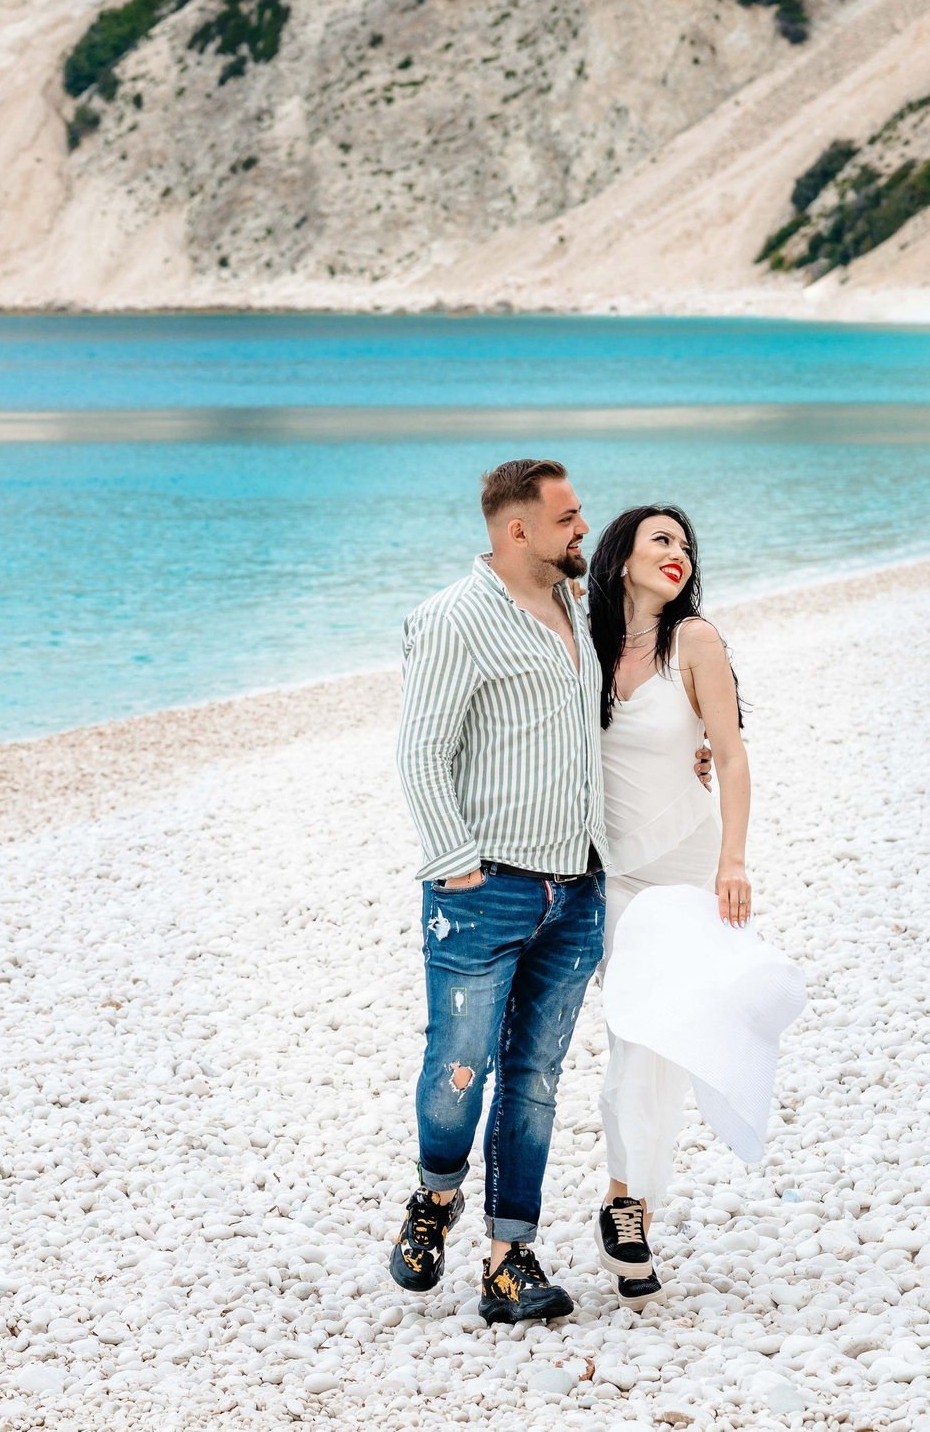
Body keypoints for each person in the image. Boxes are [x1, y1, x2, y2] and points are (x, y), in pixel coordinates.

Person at [386, 458, 607, 1324]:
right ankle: (434, 1195)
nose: (583, 527)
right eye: (568, 516)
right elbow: (421, 747)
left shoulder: (574, 606)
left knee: (535, 1078)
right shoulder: (454, 618)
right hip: (483, 891)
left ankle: (507, 1260)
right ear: (518, 529)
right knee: (459, 1067)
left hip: (578, 887)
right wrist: (455, 859)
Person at [584, 504, 752, 1307]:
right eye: (662, 539)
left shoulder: (695, 641)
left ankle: (631, 1208)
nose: (679, 551)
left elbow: (732, 756)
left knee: (661, 1038)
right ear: (622, 556)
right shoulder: (584, 645)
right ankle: (628, 1204)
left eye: (685, 543)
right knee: (631, 1033)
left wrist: (733, 861)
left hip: (684, 866)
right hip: (613, 872)